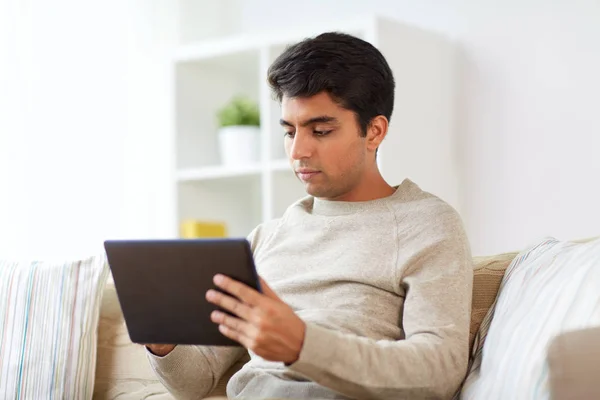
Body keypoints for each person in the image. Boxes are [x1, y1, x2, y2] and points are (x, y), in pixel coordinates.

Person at [146, 31, 473, 400]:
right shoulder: (264, 239)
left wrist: (302, 345)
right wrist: (163, 342)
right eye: (289, 132)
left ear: (375, 131)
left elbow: (439, 370)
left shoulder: (427, 224)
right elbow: (194, 381)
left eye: (320, 130)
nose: (298, 150)